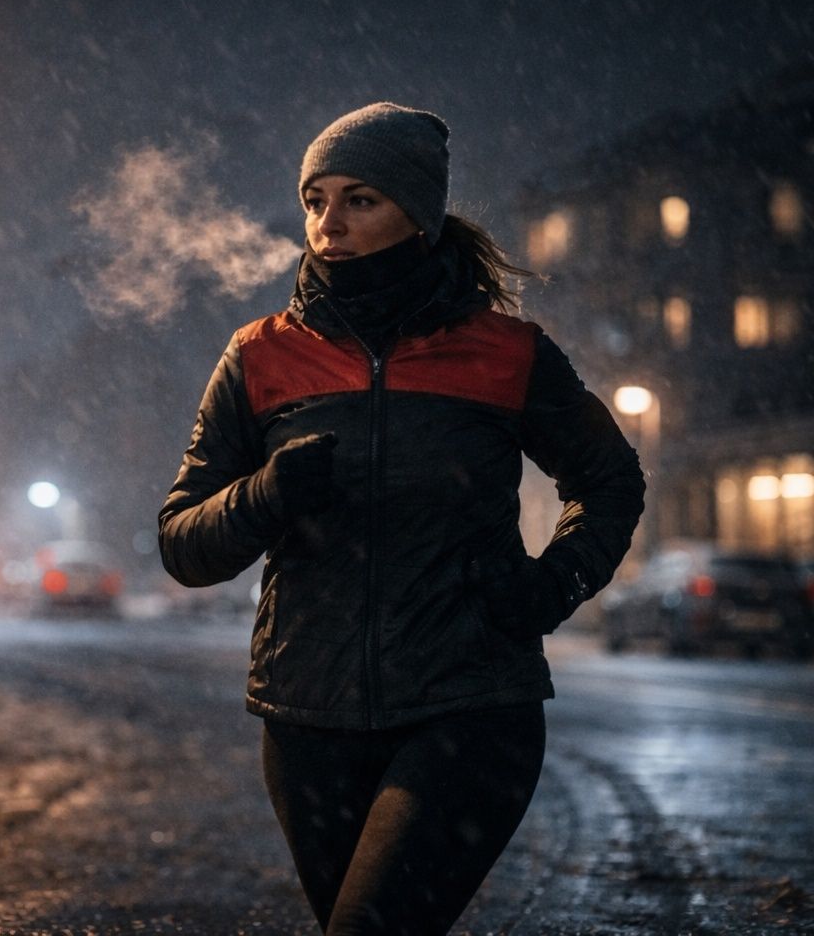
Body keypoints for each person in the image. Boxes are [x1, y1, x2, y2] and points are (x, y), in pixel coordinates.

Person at [158, 102, 645, 935]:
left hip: (467, 707)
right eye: (316, 199)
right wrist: (264, 494)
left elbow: (611, 482)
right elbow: (183, 544)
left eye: (359, 199)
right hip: (307, 719)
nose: (327, 223)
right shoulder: (260, 354)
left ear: (416, 211)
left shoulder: (505, 352)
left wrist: (550, 586)